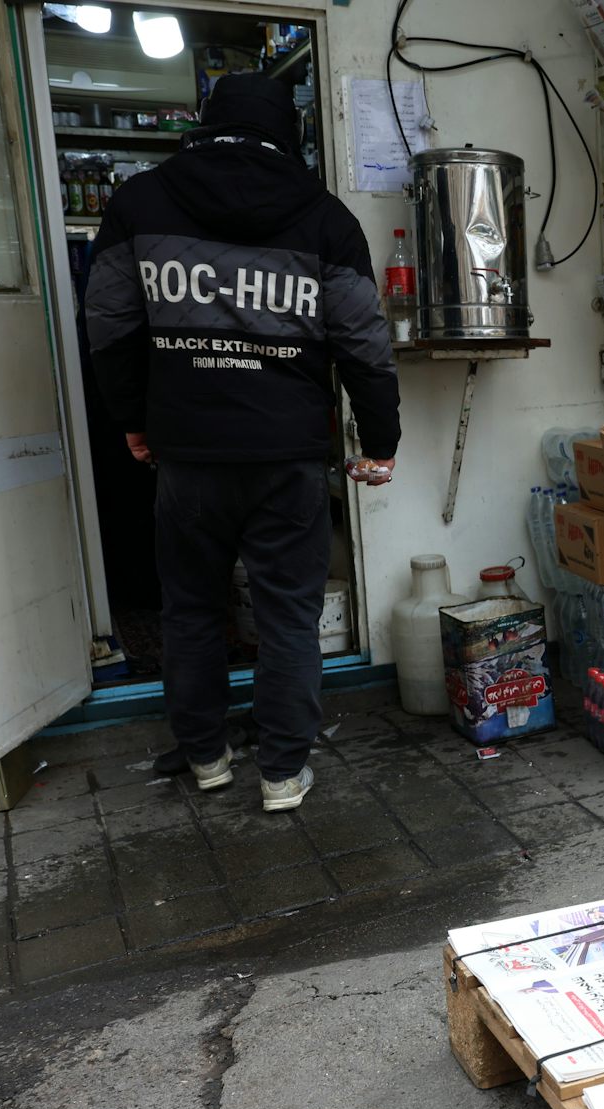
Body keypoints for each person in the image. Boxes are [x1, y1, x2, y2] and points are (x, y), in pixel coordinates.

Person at [86, 74, 400, 814]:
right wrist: (380, 438)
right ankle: (284, 773)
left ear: (205, 124)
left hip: (187, 452)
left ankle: (206, 758)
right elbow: (363, 341)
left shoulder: (140, 203)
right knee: (289, 611)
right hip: (286, 454)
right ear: (285, 132)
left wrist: (133, 418)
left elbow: (108, 324)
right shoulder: (323, 216)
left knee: (190, 611)